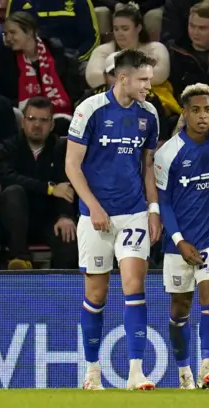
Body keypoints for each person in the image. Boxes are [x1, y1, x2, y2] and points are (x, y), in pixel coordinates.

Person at [65, 49, 162, 391]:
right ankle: (92, 373)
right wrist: (92, 206)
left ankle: (136, 373)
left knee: (135, 286)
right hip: (95, 216)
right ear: (123, 78)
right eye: (144, 79)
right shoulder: (89, 110)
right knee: (97, 293)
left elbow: (147, 166)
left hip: (133, 210)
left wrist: (153, 209)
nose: (149, 86)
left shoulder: (149, 114)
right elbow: (72, 166)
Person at [154, 83, 209, 389]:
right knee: (179, 309)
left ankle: (207, 367)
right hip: (179, 244)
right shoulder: (167, 153)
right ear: (183, 113)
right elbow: (164, 203)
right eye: (195, 110)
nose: (202, 116)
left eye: (208, 110)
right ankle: (184, 372)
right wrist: (179, 241)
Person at [0, 96, 79, 270]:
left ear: (52, 125)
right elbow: (7, 178)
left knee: (69, 238)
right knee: (13, 192)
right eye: (31, 119)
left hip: (49, 218)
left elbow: (67, 185)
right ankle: (21, 260)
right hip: (13, 221)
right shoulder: (7, 148)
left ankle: (57, 290)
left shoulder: (62, 149)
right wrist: (48, 188)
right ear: (23, 122)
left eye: (44, 120)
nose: (37, 125)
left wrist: (65, 216)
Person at [86, 5, 169, 89]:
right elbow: (93, 77)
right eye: (116, 29)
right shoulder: (103, 50)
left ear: (138, 28)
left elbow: (160, 74)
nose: (120, 33)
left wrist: (114, 78)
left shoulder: (155, 48)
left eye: (125, 29)